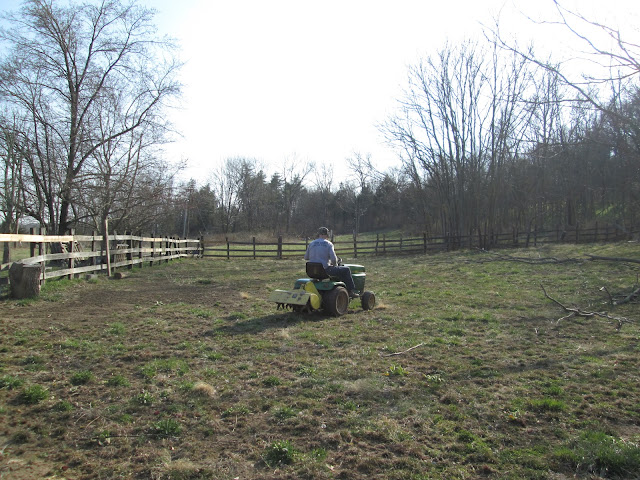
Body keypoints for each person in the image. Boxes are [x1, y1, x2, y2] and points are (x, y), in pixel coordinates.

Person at [304, 227, 359, 298]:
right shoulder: (328, 244)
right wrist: (335, 265)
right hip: (325, 271)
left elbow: (306, 257)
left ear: (319, 234)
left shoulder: (311, 243)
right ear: (327, 235)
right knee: (346, 270)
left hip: (311, 271)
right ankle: (350, 291)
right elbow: (333, 259)